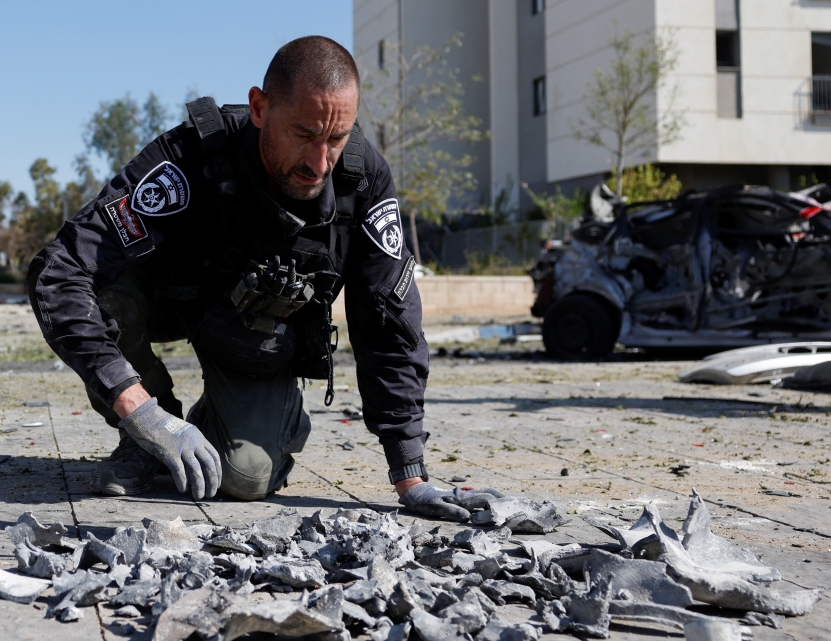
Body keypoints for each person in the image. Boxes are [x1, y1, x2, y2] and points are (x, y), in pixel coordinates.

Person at [27, 36, 502, 522]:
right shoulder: (189, 157)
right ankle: (147, 436)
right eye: (304, 134)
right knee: (101, 292)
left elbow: (388, 321)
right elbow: (59, 270)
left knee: (245, 477)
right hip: (167, 300)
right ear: (259, 108)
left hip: (252, 338)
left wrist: (412, 476)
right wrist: (143, 416)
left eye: (335, 139)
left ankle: (225, 425)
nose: (320, 164)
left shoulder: (363, 181)